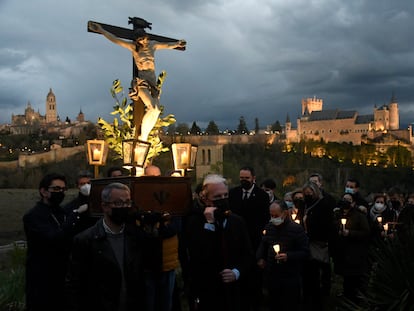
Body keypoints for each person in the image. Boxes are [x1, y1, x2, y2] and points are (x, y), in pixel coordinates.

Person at [88, 21, 186, 142]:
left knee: (156, 111)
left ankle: (145, 135)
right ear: (136, 40)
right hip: (142, 80)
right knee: (152, 107)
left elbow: (166, 45)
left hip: (152, 80)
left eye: (145, 39)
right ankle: (143, 137)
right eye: (141, 40)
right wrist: (102, 30)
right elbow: (116, 39)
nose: (144, 42)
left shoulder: (152, 45)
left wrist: (177, 43)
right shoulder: (134, 48)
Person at [66, 182, 146, 311]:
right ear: (105, 206)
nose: (124, 207)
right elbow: (75, 284)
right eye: (118, 203)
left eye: (127, 203)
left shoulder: (136, 236)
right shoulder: (86, 240)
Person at [184, 174, 254, 311]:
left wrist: (236, 272)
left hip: (234, 290)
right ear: (205, 199)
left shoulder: (237, 221)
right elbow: (198, 255)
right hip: (208, 290)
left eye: (225, 195)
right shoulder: (195, 222)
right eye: (217, 197)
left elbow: (248, 254)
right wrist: (209, 224)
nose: (223, 200)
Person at [23, 173, 83, 311]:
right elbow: (53, 238)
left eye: (63, 189)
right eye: (56, 189)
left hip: (63, 277)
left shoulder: (61, 212)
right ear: (43, 191)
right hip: (42, 279)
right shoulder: (33, 216)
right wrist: (75, 216)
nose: (60, 192)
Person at [228, 166, 270, 311]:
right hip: (237, 241)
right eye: (241, 178)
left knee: (255, 277)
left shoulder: (262, 196)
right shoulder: (233, 194)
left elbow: (265, 220)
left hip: (255, 241)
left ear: (253, 178)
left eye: (246, 178)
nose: (243, 181)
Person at [256, 200, 309, 311]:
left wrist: (288, 256)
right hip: (272, 275)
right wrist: (260, 258)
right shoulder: (269, 227)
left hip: (290, 277)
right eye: (271, 215)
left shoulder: (296, 229)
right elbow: (263, 244)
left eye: (276, 215)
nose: (273, 218)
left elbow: (305, 252)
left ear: (285, 213)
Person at [142, 164, 180, 311]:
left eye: (157, 177)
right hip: (147, 263)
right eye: (150, 177)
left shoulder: (170, 198)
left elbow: (175, 228)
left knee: (166, 303)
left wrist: (158, 226)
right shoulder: (141, 198)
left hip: (167, 261)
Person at [301, 181, 335, 311]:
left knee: (317, 276)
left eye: (309, 193)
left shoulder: (323, 205)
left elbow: (325, 225)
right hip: (307, 243)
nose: (307, 196)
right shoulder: (306, 205)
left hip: (317, 243)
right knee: (308, 276)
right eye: (306, 194)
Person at [331, 193, 370, 303]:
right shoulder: (337, 214)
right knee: (346, 279)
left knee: (354, 279)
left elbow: (366, 233)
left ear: (353, 203)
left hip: (354, 253)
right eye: (344, 199)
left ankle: (354, 301)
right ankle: (346, 298)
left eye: (349, 200)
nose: (346, 202)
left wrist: (350, 233)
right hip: (342, 253)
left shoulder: (359, 216)